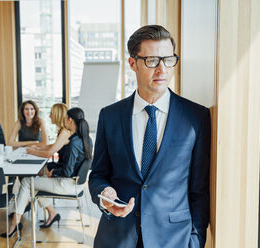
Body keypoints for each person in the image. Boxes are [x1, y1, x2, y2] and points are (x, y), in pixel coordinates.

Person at [88, 25, 211, 248]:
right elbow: (98, 175)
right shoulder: (110, 116)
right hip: (117, 237)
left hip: (174, 239)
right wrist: (105, 195)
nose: (162, 69)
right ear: (133, 63)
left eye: (168, 59)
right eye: (152, 60)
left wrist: (196, 241)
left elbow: (199, 189)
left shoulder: (196, 117)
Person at [2, 107, 93, 238]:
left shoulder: (73, 143)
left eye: (66, 119)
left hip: (68, 184)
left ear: (70, 120)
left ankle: (14, 222)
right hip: (77, 184)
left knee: (28, 181)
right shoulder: (86, 139)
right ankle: (49, 213)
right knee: (35, 182)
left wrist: (54, 172)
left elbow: (67, 171)